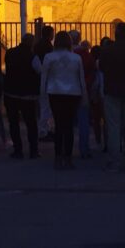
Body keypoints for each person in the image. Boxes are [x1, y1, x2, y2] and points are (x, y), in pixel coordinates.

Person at [98, 22, 125, 172]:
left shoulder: (108, 50)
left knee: (113, 127)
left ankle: (114, 161)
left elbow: (102, 68)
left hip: (112, 91)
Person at [40, 31, 89, 170]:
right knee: (68, 127)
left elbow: (44, 78)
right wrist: (84, 96)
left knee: (59, 125)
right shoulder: (76, 58)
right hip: (73, 93)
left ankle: (57, 158)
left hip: (55, 92)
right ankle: (68, 157)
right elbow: (81, 78)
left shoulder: (49, 57)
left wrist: (42, 94)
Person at [4, 34, 40, 159]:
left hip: (11, 93)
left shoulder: (10, 53)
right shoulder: (32, 57)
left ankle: (17, 150)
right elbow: (39, 71)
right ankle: (33, 150)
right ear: (31, 43)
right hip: (27, 94)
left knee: (13, 123)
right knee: (31, 123)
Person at [71, 31, 96, 158]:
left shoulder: (68, 54)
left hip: (68, 91)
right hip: (83, 89)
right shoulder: (85, 54)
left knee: (67, 122)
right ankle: (84, 149)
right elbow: (92, 70)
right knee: (83, 121)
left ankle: (66, 150)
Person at [32, 26, 56, 141]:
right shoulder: (47, 46)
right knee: (46, 107)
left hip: (41, 78)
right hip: (46, 78)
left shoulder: (38, 45)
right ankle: (43, 131)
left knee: (45, 106)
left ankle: (46, 129)